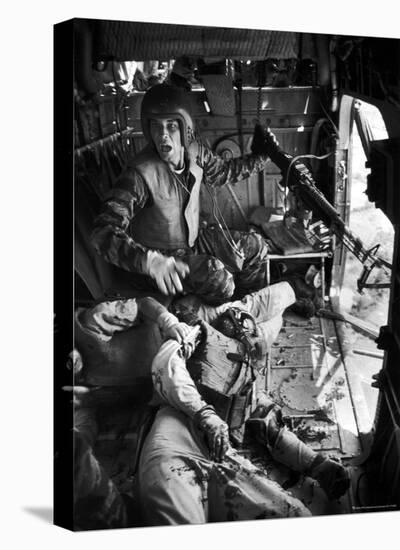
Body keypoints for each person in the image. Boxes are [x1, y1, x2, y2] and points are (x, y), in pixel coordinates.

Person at [136, 281, 350, 525]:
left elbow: (270, 427)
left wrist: (316, 464)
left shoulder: (247, 379)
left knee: (297, 515)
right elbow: (165, 366)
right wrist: (205, 413)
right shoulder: (196, 335)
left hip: (221, 456)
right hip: (175, 447)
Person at [91, 83, 277, 305]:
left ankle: (246, 309)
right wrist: (149, 261)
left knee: (256, 247)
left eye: (171, 126)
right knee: (219, 279)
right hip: (160, 262)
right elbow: (102, 232)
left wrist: (263, 156)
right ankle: (204, 314)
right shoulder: (140, 174)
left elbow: (223, 173)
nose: (163, 136)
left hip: (194, 241)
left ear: (186, 128)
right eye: (156, 126)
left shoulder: (196, 152)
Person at [69, 294, 192, 530]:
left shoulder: (93, 322)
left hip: (171, 346)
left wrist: (169, 321)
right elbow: (84, 416)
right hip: (146, 391)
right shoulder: (76, 388)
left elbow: (144, 304)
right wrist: (87, 399)